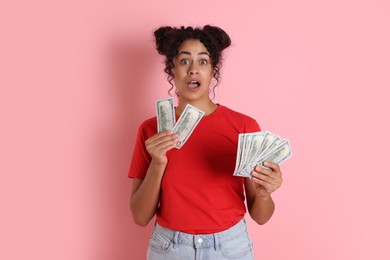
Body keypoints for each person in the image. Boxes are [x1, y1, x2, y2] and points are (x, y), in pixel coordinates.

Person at [128, 25, 283, 260]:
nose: (193, 70)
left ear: (213, 71)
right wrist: (158, 162)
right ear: (171, 69)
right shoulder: (151, 130)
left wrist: (263, 194)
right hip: (170, 249)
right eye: (183, 61)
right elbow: (140, 217)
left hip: (230, 248)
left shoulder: (244, 127)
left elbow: (261, 217)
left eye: (203, 62)